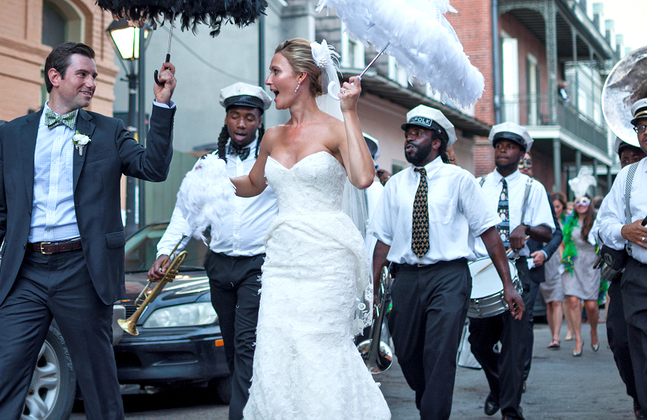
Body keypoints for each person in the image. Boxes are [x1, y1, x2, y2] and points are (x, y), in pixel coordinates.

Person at [0, 42, 177, 419]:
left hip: (81, 268)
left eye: (94, 76)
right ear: (55, 77)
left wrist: (161, 105)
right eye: (83, 74)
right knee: (4, 375)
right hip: (24, 271)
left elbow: (154, 167)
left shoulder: (109, 132)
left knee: (98, 381)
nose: (91, 82)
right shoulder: (11, 135)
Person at [231, 38, 391, 419]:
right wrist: (212, 179)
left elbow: (364, 178)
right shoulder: (271, 136)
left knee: (317, 347)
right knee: (275, 348)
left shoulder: (337, 128)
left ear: (301, 77)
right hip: (283, 261)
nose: (268, 81)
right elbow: (252, 185)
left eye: (275, 72)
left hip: (327, 259)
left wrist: (351, 112)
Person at [370, 105, 523, 420]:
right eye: (408, 134)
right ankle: (429, 403)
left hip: (449, 277)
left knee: (439, 356)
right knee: (410, 355)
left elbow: (489, 233)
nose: (410, 140)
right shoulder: (395, 185)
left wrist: (508, 285)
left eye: (418, 134)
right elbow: (382, 242)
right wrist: (373, 289)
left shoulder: (460, 180)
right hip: (406, 279)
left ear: (437, 142)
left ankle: (433, 413)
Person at [149, 82, 277, 420]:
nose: (241, 124)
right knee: (234, 346)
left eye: (249, 117)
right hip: (219, 266)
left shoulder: (273, 161)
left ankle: (240, 415)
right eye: (235, 116)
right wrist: (165, 251)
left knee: (247, 343)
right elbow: (185, 213)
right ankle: (255, 409)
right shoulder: (207, 164)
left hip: (259, 266)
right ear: (226, 120)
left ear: (259, 122)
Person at [468, 122, 554, 420]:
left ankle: (510, 409)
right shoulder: (477, 185)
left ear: (521, 152)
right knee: (478, 341)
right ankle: (499, 385)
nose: (503, 150)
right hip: (481, 269)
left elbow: (548, 231)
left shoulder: (533, 187)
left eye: (510, 146)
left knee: (515, 343)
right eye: (499, 145)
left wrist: (527, 228)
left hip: (518, 268)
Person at [598, 96, 647, 420]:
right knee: (646, 363)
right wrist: (622, 231)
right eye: (641, 127)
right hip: (640, 278)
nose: (646, 133)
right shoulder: (627, 177)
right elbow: (604, 224)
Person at [598, 137, 645, 418]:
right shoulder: (621, 184)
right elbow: (602, 228)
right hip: (625, 275)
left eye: (634, 157)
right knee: (620, 341)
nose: (629, 163)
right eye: (624, 159)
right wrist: (622, 230)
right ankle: (639, 396)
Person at [517, 153, 563, 385]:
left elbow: (557, 232)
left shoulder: (539, 191)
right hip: (498, 265)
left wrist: (544, 253)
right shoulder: (496, 188)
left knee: (524, 320)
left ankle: (520, 377)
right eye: (520, 162)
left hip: (530, 267)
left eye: (528, 162)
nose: (524, 167)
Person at [560, 194, 600, 356]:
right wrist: (564, 258)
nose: (581, 204)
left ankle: (594, 331)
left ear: (589, 203)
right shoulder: (570, 222)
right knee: (573, 301)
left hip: (592, 263)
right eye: (577, 201)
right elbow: (563, 242)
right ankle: (578, 339)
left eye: (584, 201)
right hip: (573, 263)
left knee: (591, 305)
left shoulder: (598, 219)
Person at [540, 192, 567, 348]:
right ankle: (553, 335)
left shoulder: (568, 223)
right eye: (553, 206)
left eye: (558, 206)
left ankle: (556, 336)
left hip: (560, 265)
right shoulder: (544, 221)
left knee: (557, 301)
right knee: (549, 303)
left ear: (562, 207)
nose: (555, 209)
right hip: (546, 264)